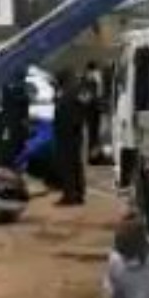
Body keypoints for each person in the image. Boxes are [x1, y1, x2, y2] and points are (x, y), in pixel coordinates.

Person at [51, 69, 88, 206]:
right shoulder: (73, 91)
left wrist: (76, 121)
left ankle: (69, 195)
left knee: (67, 164)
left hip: (67, 132)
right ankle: (78, 193)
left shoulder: (70, 92)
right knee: (75, 163)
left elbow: (83, 106)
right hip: (73, 132)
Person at [82, 61, 105, 164]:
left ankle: (93, 157)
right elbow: (93, 95)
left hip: (92, 110)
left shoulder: (92, 80)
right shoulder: (91, 80)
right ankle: (92, 157)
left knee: (93, 135)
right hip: (91, 110)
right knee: (93, 135)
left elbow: (95, 95)